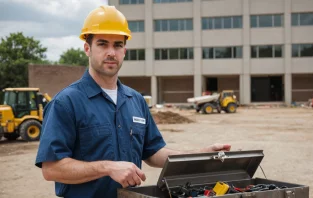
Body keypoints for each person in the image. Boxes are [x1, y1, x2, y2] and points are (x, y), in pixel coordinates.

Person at [35, 5, 231, 198]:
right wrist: (108, 168)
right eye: (103, 44)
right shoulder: (66, 103)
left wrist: (200, 154)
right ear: (87, 48)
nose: (111, 52)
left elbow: (154, 153)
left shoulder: (135, 100)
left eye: (117, 45)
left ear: (124, 51)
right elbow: (51, 169)